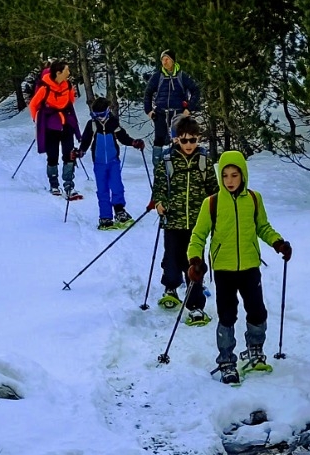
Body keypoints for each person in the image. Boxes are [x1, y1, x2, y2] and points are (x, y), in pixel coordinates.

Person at [186, 148, 290, 383]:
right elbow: (198, 236)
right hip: (223, 269)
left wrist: (278, 243)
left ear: (243, 174)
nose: (230, 180)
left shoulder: (254, 199)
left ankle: (255, 349)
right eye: (225, 176)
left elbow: (262, 226)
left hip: (250, 266)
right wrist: (195, 260)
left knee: (257, 310)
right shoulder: (211, 203)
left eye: (235, 175)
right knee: (227, 314)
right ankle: (226, 360)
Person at [148, 116, 214, 321]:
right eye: (184, 140)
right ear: (176, 140)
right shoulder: (167, 161)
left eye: (192, 140)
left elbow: (214, 191)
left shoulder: (204, 162)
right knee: (172, 259)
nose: (188, 144)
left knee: (194, 263)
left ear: (198, 139)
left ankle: (195, 304)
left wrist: (217, 212)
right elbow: (158, 187)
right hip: (173, 220)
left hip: (197, 224)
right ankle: (171, 286)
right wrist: (159, 203)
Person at [77, 92, 144, 229]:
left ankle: (119, 211)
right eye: (96, 115)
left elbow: (123, 137)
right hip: (99, 163)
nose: (100, 118)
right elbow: (86, 141)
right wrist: (80, 152)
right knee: (102, 190)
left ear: (108, 111)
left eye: (102, 114)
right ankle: (105, 217)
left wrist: (134, 143)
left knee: (117, 185)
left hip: (113, 161)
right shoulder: (92, 125)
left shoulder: (113, 123)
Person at [29, 60, 81, 199]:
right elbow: (33, 105)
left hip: (66, 125)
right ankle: (54, 184)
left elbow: (71, 101)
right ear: (58, 73)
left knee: (69, 155)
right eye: (66, 70)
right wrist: (38, 121)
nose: (69, 73)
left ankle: (69, 184)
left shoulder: (68, 85)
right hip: (51, 126)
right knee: (52, 156)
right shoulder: (45, 88)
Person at [142, 50, 201, 151]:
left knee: (178, 140)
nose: (164, 62)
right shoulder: (157, 76)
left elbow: (196, 91)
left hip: (178, 114)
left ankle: (177, 163)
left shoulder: (182, 76)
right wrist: (149, 111)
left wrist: (188, 109)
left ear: (173, 61)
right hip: (160, 113)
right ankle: (158, 164)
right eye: (162, 60)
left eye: (167, 59)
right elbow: (148, 93)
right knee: (159, 141)